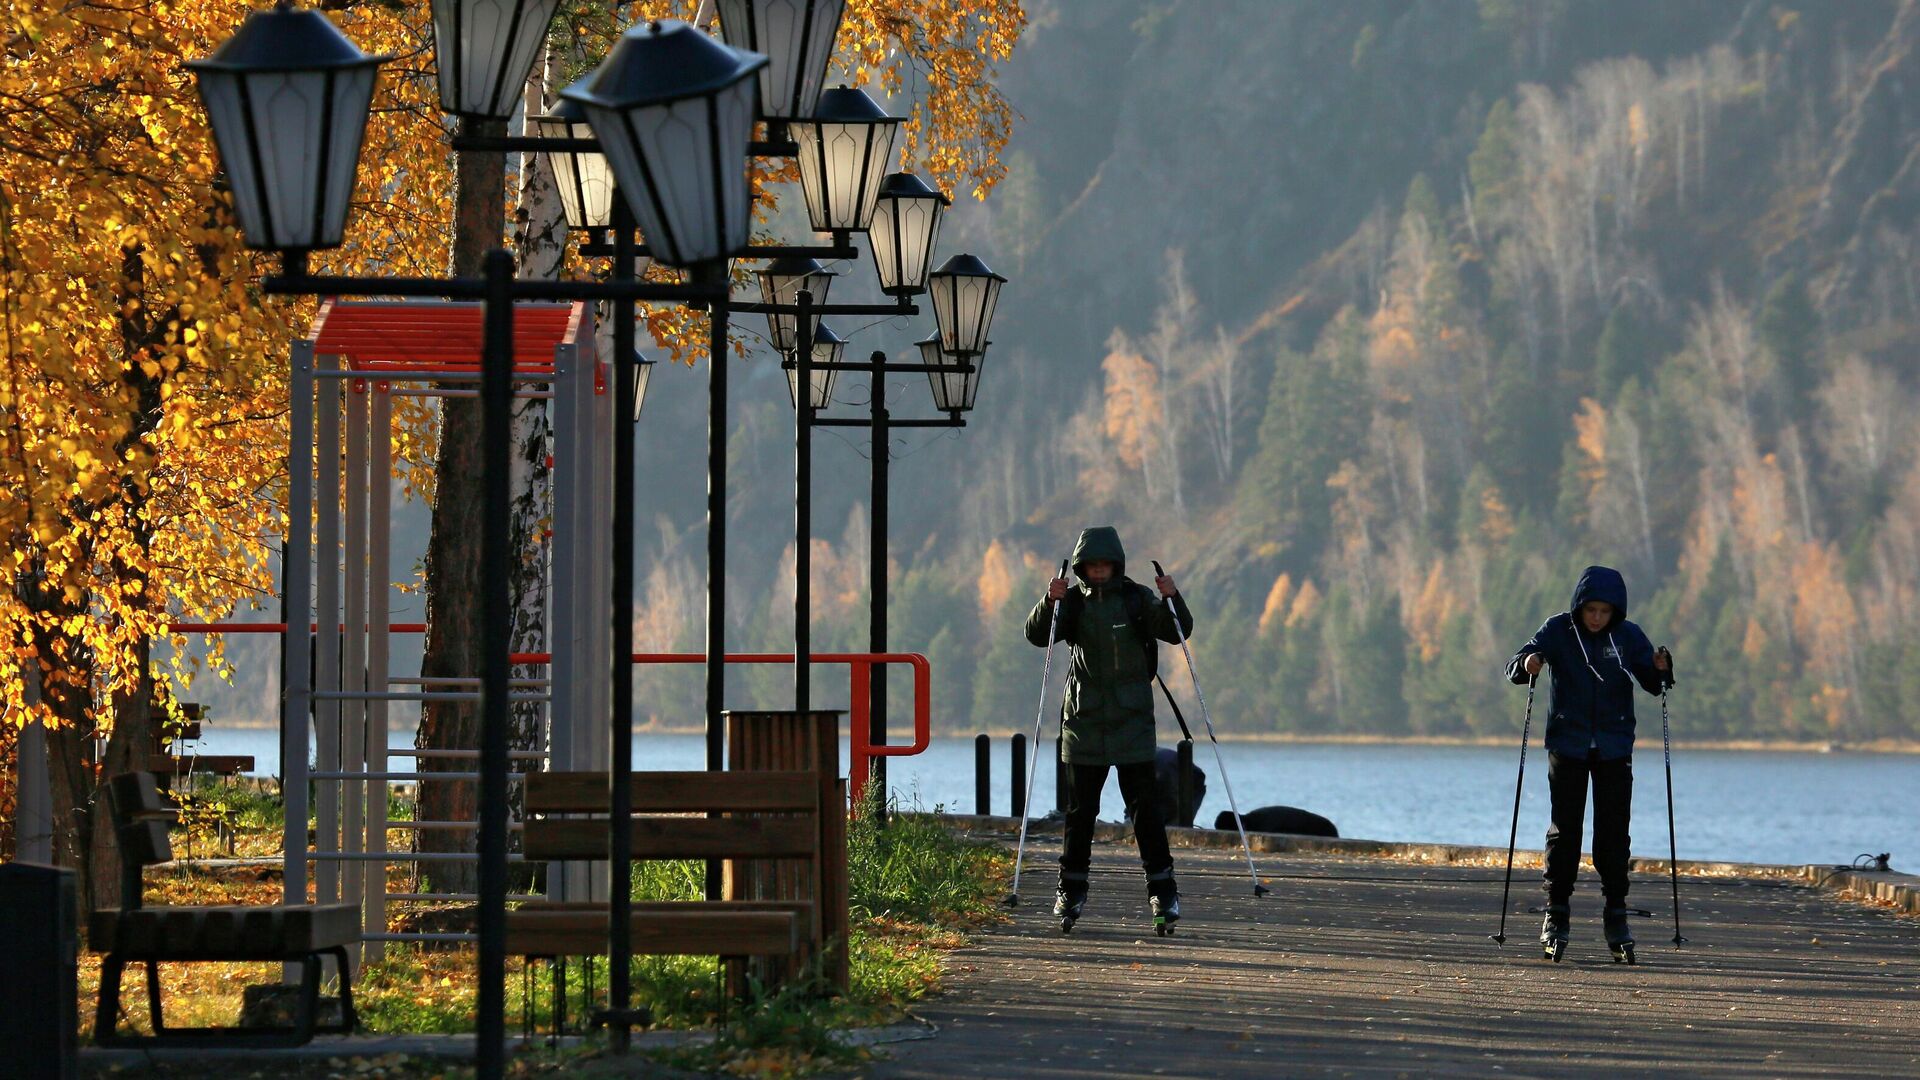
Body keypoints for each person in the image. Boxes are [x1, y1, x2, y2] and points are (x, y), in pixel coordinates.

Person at [1025, 525, 1193, 931]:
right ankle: (1071, 890)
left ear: (1116, 565)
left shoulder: (1137, 599)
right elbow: (1036, 636)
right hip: (1083, 723)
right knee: (1080, 815)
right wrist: (1049, 601)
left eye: (1104, 565)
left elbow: (1177, 632)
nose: (1098, 572)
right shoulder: (1073, 604)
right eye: (1092, 566)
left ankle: (1163, 892)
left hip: (1133, 724)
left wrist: (1173, 597)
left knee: (1146, 814)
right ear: (1082, 567)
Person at [1506, 565, 1673, 961]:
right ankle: (1556, 913)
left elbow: (1654, 684)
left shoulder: (1628, 635)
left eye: (1604, 611)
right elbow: (1516, 664)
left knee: (1614, 835)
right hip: (1569, 745)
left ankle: (1616, 915)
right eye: (1590, 610)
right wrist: (1528, 663)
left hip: (1614, 747)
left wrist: (1662, 669)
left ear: (1616, 611)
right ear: (1579, 607)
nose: (1596, 618)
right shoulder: (1558, 630)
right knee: (1565, 833)